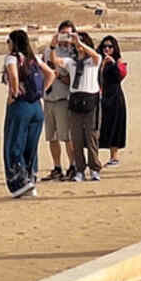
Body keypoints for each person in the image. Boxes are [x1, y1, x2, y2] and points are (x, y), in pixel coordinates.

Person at [2, 29, 55, 197]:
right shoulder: (35, 58)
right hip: (36, 106)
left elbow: (13, 76)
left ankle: (20, 183)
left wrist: (14, 93)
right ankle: (31, 179)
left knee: (14, 144)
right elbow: (51, 74)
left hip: (21, 106)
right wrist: (41, 92)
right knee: (30, 145)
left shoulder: (12, 58)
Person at [54, 30, 103, 181]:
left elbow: (96, 56)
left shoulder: (93, 61)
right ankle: (80, 169)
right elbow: (56, 61)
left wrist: (80, 43)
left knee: (91, 137)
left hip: (91, 101)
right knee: (76, 138)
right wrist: (53, 45)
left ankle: (95, 168)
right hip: (75, 100)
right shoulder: (71, 61)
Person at [39, 20, 77, 181]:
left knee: (66, 136)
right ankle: (57, 167)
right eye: (62, 33)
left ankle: (73, 166)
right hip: (49, 98)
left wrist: (59, 75)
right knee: (52, 136)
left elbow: (73, 79)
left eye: (68, 34)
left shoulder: (74, 53)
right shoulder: (49, 51)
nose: (65, 37)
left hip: (63, 98)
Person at [97, 34, 127, 167]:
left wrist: (113, 64)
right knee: (98, 127)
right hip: (100, 97)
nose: (107, 49)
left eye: (110, 46)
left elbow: (120, 76)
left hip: (115, 98)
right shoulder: (96, 60)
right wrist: (102, 65)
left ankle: (114, 157)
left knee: (116, 126)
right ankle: (94, 159)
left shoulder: (119, 62)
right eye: (104, 46)